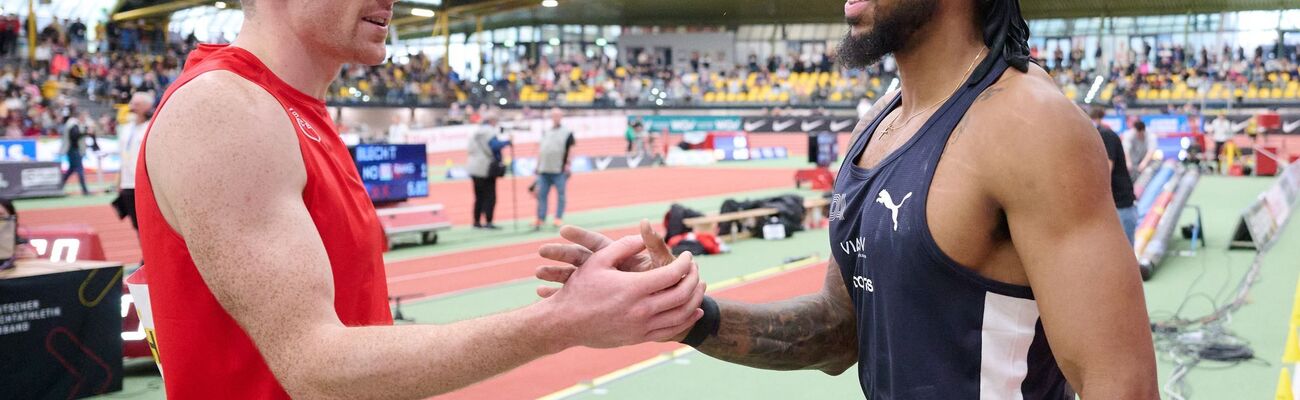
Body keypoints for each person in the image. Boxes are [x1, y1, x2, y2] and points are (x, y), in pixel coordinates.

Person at [538, 0, 1158, 398]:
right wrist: (682, 313)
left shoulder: (1029, 125)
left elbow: (1120, 384)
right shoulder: (880, 122)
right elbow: (840, 332)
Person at [133, 0, 705, 398]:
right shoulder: (225, 110)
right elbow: (316, 369)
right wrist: (563, 320)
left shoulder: (292, 112)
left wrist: (597, 293)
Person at [1092, 108, 1138, 244]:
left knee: (1125, 248)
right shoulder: (1100, 135)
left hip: (1120, 202)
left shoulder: (1106, 136)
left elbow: (1107, 168)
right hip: (1112, 203)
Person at [115, 92, 153, 230]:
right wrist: (119, 182)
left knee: (149, 226)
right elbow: (123, 157)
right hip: (128, 184)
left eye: (136, 104)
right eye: (132, 103)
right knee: (136, 226)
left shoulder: (150, 127)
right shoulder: (126, 129)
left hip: (146, 184)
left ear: (147, 106)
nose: (132, 107)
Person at [467, 111, 510, 229]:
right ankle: (488, 221)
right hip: (486, 168)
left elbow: (469, 149)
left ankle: (476, 221)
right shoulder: (490, 131)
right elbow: (495, 146)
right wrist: (507, 142)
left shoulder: (475, 132)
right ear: (492, 121)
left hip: (473, 166)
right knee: (490, 196)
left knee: (478, 196)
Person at [534, 107, 575, 230]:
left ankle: (558, 217)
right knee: (541, 195)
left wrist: (568, 163)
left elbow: (571, 149)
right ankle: (540, 218)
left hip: (559, 170)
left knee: (561, 195)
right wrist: (537, 165)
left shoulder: (567, 132)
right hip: (544, 169)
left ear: (561, 117)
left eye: (558, 116)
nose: (555, 118)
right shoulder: (546, 131)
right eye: (553, 116)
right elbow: (542, 150)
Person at [59, 111, 93, 195]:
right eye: (84, 117)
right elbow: (74, 136)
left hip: (73, 150)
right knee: (80, 170)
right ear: (80, 116)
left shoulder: (76, 124)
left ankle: (59, 186)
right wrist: (86, 132)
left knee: (71, 170)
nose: (85, 119)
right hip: (73, 150)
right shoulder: (73, 124)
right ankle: (85, 190)